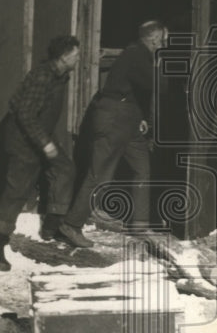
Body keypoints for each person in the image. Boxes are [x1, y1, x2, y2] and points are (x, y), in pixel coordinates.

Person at [59, 20, 168, 247]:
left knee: (142, 168)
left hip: (128, 118)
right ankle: (72, 224)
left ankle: (139, 225)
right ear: (154, 39)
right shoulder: (136, 55)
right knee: (100, 175)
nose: (165, 45)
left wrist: (140, 118)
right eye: (164, 40)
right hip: (115, 118)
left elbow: (137, 88)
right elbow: (158, 84)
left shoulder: (138, 55)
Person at [0, 36, 81, 271]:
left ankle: (52, 226)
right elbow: (24, 113)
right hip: (23, 141)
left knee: (65, 169)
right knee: (16, 193)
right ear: (64, 57)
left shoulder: (60, 75)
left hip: (38, 136)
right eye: (75, 54)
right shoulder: (42, 76)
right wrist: (44, 143)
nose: (78, 58)